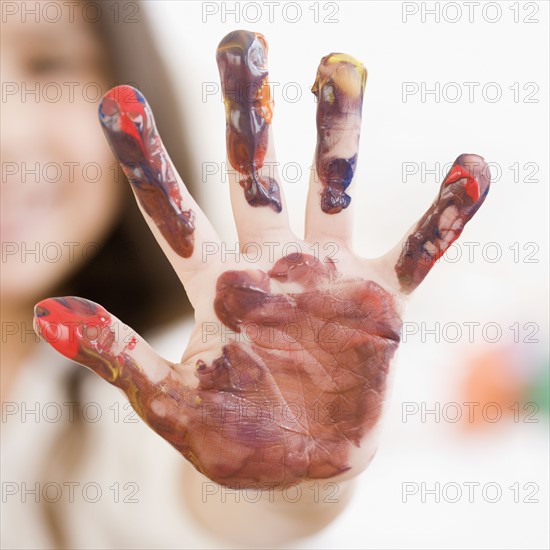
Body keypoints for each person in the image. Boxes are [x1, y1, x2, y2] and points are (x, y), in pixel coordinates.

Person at [1, 2, 491, 549]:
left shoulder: (165, 377)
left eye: (47, 64)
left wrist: (286, 474)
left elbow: (185, 503)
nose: (7, 132)